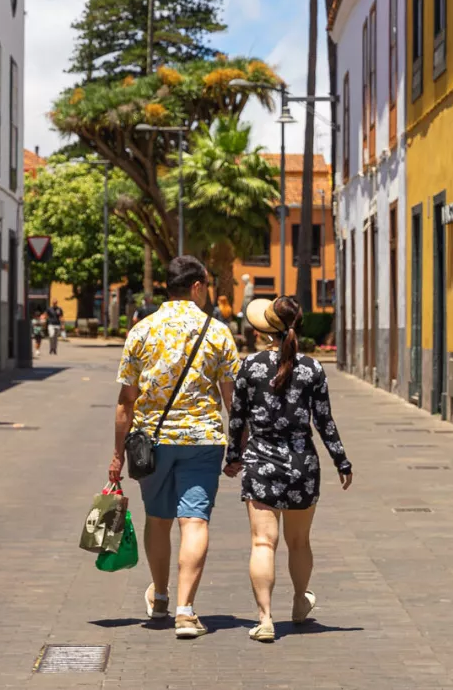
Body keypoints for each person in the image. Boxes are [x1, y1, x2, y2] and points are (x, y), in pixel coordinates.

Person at [110, 256, 240, 639]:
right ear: (197, 286)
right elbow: (232, 400)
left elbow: (125, 401)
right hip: (202, 441)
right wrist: (240, 446)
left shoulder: (142, 331)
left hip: (152, 443)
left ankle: (162, 597)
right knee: (195, 520)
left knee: (158, 518)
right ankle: (186, 612)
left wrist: (118, 454)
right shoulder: (217, 332)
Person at [225, 296, 353, 643]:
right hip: (302, 463)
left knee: (262, 543)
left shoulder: (249, 367)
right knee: (299, 542)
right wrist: (342, 460)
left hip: (261, 461)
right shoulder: (312, 368)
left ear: (266, 329)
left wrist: (232, 457)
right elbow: (325, 421)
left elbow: (237, 419)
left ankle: (265, 619)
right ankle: (299, 602)